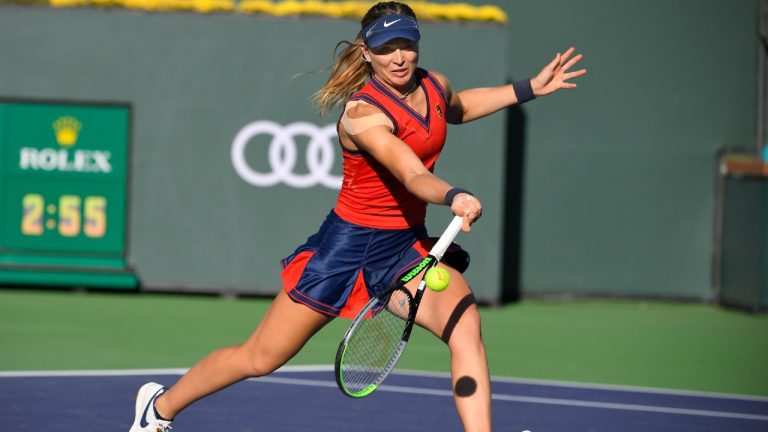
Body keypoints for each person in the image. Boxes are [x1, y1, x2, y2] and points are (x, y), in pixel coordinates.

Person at [129, 2, 586, 431]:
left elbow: (459, 107)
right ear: (366, 53)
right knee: (260, 358)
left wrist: (527, 88)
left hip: (404, 248)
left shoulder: (433, 85)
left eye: (407, 44)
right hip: (346, 249)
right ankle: (159, 409)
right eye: (386, 49)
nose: (400, 57)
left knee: (466, 325)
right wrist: (453, 193)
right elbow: (410, 173)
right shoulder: (362, 113)